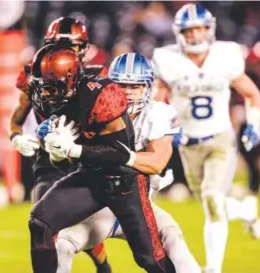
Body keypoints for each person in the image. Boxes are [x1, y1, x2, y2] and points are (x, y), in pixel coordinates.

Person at [36, 53, 200, 273]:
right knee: (62, 245)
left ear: (148, 88)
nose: (128, 93)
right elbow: (65, 164)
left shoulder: (158, 114)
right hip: (98, 206)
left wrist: (123, 156)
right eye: (122, 85)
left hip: (140, 205)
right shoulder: (90, 109)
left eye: (136, 86)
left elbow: (157, 163)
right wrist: (56, 149)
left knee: (174, 241)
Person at [152, 4, 260, 273]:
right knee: (210, 203)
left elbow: (252, 94)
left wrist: (253, 125)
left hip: (220, 140)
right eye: (190, 30)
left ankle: (213, 268)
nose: (195, 36)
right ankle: (246, 211)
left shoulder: (226, 55)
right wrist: (164, 129)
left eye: (200, 29)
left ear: (210, 30)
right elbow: (157, 102)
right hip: (188, 145)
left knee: (213, 198)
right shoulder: (168, 59)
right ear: (180, 33)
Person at [10, 17, 111, 273]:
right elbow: (18, 116)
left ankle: (103, 263)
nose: (64, 52)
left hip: (86, 157)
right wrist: (15, 137)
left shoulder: (96, 77)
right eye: (58, 45)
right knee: (42, 220)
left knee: (90, 222)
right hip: (49, 160)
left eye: (71, 46)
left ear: (83, 48)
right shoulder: (33, 75)